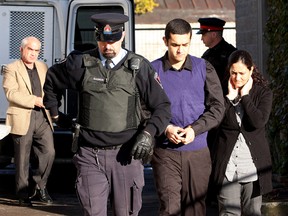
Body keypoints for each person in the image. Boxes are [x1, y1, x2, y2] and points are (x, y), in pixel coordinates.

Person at [43, 13, 171, 216]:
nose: (107, 46)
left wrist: (148, 133)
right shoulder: (81, 63)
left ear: (123, 36)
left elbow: (162, 106)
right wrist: (56, 115)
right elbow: (51, 79)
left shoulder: (138, 67)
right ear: (96, 36)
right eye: (103, 40)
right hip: (89, 155)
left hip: (126, 156)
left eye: (112, 40)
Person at [150, 18, 225, 216]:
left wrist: (195, 129)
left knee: (195, 210)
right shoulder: (152, 70)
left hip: (198, 152)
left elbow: (218, 107)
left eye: (185, 45)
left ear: (191, 40)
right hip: (165, 153)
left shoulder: (204, 68)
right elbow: (141, 109)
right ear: (165, 41)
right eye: (175, 45)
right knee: (169, 209)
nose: (180, 50)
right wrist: (165, 128)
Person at [211, 50, 273, 216]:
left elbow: (258, 122)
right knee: (228, 212)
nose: (237, 78)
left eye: (242, 73)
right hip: (228, 165)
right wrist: (230, 99)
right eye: (233, 73)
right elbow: (214, 121)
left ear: (251, 70)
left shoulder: (263, 93)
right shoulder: (222, 92)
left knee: (253, 211)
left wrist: (245, 96)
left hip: (253, 166)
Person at [2, 36, 55, 206]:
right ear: (21, 49)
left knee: (49, 152)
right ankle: (23, 195)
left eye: (36, 50)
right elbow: (11, 93)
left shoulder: (43, 66)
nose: (33, 53)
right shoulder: (11, 68)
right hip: (22, 116)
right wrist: (34, 100)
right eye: (30, 49)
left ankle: (40, 186)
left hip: (42, 116)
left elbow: (49, 89)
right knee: (22, 159)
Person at [197, 17, 237, 95]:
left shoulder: (231, 53)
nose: (201, 38)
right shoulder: (207, 54)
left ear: (214, 34)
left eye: (204, 34)